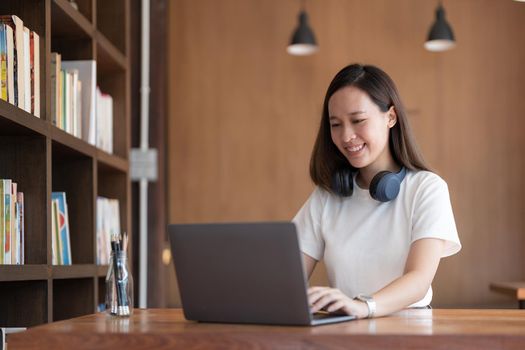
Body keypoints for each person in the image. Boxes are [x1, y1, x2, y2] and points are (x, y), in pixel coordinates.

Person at [293, 63, 461, 319]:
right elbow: (287, 275)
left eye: (358, 120)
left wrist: (363, 306)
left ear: (390, 117)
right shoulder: (326, 197)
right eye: (335, 124)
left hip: (409, 332)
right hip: (348, 331)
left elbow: (418, 280)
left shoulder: (427, 189)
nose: (346, 136)